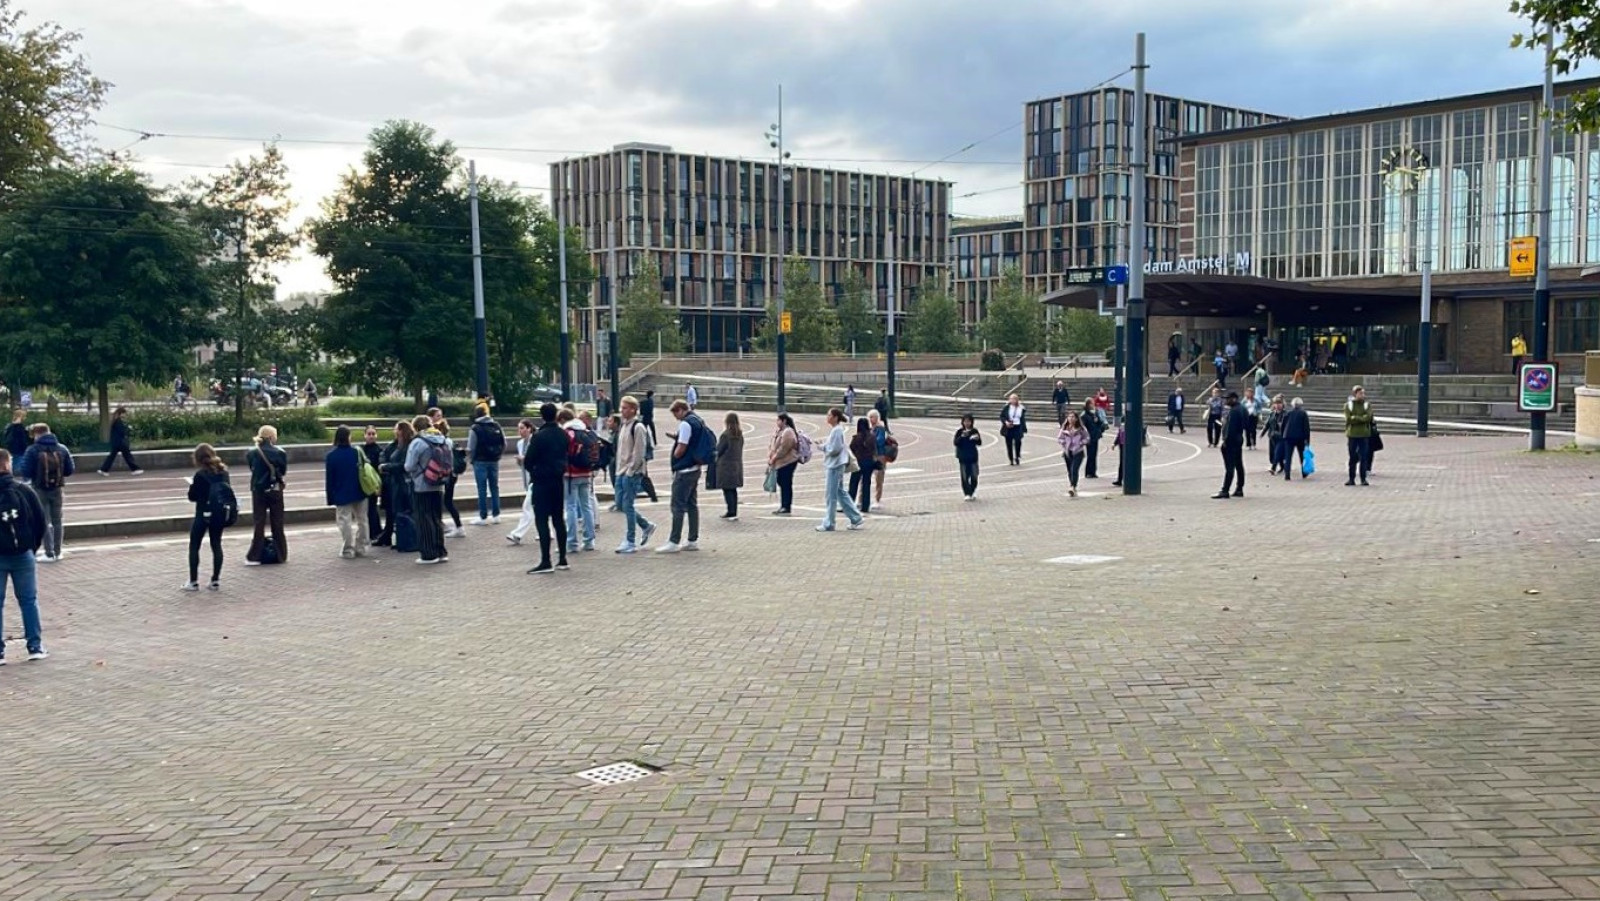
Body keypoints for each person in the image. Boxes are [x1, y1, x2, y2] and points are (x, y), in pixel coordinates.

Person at [0, 448, 47, 662]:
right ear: (8, 464)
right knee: (28, 601)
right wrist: (31, 547)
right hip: (23, 555)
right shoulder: (24, 491)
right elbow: (40, 522)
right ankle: (35, 647)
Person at [523, 404, 570, 573]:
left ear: (542, 416)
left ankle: (546, 560)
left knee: (542, 520)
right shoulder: (563, 434)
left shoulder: (539, 436)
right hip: (558, 481)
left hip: (542, 481)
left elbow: (529, 461)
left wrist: (535, 471)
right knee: (558, 519)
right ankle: (563, 558)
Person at [18, 423, 73, 563]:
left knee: (44, 521)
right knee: (57, 520)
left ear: (37, 434)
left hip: (39, 489)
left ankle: (49, 553)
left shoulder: (32, 450)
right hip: (57, 488)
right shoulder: (62, 448)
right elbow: (69, 470)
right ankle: (58, 551)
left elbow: (24, 470)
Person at [658, 399, 705, 553]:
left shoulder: (686, 424)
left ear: (680, 410)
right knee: (692, 504)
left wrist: (676, 456)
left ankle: (674, 540)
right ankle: (692, 539)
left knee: (677, 505)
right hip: (695, 467)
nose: (676, 418)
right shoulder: (698, 420)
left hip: (684, 470)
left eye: (675, 414)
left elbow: (683, 446)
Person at [182, 443, 231, 590]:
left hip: (202, 513)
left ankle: (193, 582)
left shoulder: (200, 475)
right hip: (218, 514)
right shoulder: (223, 472)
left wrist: (193, 487)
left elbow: (192, 497)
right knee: (216, 545)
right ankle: (215, 580)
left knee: (194, 546)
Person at [612, 397, 658, 554]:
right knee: (620, 504)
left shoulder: (638, 427)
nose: (622, 410)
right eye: (621, 407)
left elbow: (639, 452)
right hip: (621, 471)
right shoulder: (624, 426)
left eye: (625, 408)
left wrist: (631, 470)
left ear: (633, 409)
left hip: (631, 473)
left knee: (628, 505)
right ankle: (645, 525)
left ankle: (630, 540)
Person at [404, 415, 451, 565]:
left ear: (416, 428)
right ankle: (441, 551)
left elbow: (409, 466)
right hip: (439, 483)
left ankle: (429, 554)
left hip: (421, 485)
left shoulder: (418, 442)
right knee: (437, 518)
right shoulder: (443, 439)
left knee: (424, 519)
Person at [240, 425, 289, 565]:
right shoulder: (280, 453)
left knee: (259, 522)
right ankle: (281, 554)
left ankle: (254, 555)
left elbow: (252, 468)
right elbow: (283, 471)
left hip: (258, 490)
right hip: (275, 489)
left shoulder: (252, 452)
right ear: (271, 437)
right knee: (277, 522)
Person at [816, 407, 864, 533]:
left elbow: (835, 449)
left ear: (835, 417)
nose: (827, 417)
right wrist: (823, 446)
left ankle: (829, 523)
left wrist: (823, 448)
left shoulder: (837, 431)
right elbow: (834, 446)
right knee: (840, 493)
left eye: (829, 415)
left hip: (835, 465)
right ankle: (856, 518)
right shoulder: (836, 430)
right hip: (837, 465)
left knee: (831, 495)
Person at [324, 425, 370, 559]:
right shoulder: (357, 452)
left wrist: (330, 497)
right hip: (360, 490)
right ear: (349, 437)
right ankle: (361, 547)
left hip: (341, 493)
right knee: (362, 520)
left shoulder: (331, 456)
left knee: (345, 522)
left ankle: (347, 549)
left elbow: (329, 479)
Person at [559, 408, 598, 553]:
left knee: (570, 507)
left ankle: (572, 542)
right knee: (586, 506)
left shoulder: (568, 432)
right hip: (586, 472)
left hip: (571, 474)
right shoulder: (586, 432)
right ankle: (589, 541)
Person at [376, 421, 414, 548]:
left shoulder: (407, 446)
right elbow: (383, 454)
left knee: (400, 509)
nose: (394, 431)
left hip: (401, 482)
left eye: (396, 429)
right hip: (393, 482)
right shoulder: (395, 445)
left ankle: (402, 537)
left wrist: (386, 466)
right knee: (391, 509)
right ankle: (389, 535)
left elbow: (403, 465)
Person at [467, 403, 505, 525]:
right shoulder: (496, 425)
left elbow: (471, 447)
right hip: (494, 460)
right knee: (494, 487)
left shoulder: (475, 428)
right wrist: (498, 455)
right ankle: (496, 515)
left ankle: (483, 516)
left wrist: (471, 459)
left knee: (482, 489)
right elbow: (504, 443)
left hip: (480, 461)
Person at [1213, 392, 1248, 499]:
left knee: (1230, 466)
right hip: (1239, 438)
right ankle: (1239, 488)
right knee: (1239, 464)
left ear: (1233, 399)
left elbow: (1230, 428)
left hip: (1232, 441)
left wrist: (1225, 441)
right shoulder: (1243, 409)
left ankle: (1225, 490)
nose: (1225, 401)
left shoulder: (1234, 411)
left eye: (1227, 399)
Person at [768, 414, 800, 516]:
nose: (777, 422)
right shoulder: (780, 431)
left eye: (779, 420)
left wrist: (774, 457)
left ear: (784, 421)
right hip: (781, 462)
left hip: (788, 461)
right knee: (782, 482)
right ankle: (784, 505)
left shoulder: (788, 432)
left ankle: (786, 506)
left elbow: (784, 448)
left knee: (786, 483)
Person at [715, 412, 744, 521]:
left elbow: (719, 450)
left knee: (727, 489)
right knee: (733, 489)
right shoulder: (739, 435)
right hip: (736, 465)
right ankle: (733, 510)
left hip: (726, 465)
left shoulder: (725, 435)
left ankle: (730, 511)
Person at [1344, 384, 1375, 487]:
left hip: (1364, 434)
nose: (1362, 395)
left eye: (1363, 393)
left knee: (1364, 457)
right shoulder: (1348, 405)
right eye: (1360, 393)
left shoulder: (1367, 405)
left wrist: (1355, 418)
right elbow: (1348, 418)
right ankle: (1351, 479)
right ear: (1355, 394)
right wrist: (1361, 418)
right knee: (1352, 457)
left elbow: (1368, 417)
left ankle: (1363, 479)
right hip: (1352, 434)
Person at [97, 407, 143, 475]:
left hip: (116, 442)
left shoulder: (115, 421)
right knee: (128, 456)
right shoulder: (118, 421)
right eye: (124, 414)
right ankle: (135, 469)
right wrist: (127, 429)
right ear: (121, 413)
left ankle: (103, 469)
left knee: (112, 457)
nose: (125, 415)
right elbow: (122, 432)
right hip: (120, 442)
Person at [1057, 411, 1089, 497]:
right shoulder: (1064, 428)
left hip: (1078, 452)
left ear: (1076, 419)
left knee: (1074, 469)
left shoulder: (1081, 429)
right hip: (1068, 452)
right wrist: (1063, 443)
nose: (1071, 418)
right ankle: (1072, 484)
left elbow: (1087, 437)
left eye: (1073, 417)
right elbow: (1059, 438)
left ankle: (1073, 486)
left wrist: (1081, 443)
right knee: (1069, 470)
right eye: (1069, 417)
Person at [361, 426, 384, 541]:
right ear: (364, 435)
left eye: (373, 434)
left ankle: (375, 531)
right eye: (369, 434)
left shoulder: (379, 451)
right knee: (367, 509)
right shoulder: (361, 450)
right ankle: (371, 531)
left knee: (372, 508)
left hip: (373, 483)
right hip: (364, 484)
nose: (371, 436)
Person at [848, 417, 875, 515]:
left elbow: (851, 448)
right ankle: (865, 506)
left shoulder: (856, 437)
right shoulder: (872, 437)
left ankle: (849, 504)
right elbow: (874, 449)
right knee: (866, 484)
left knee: (853, 484)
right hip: (869, 462)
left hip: (858, 462)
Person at [1282, 397, 1312, 481]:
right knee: (1302, 456)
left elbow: (1283, 425)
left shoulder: (1288, 413)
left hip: (1289, 437)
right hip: (1300, 437)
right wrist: (1307, 440)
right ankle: (1304, 473)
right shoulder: (1303, 414)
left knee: (1288, 456)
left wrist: (1283, 435)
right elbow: (1306, 428)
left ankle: (1287, 474)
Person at [953, 414, 982, 500]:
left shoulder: (974, 431)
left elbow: (979, 443)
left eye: (969, 421)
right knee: (964, 476)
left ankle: (972, 491)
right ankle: (967, 493)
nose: (967, 423)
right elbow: (956, 442)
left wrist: (976, 438)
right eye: (965, 421)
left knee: (974, 475)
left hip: (973, 456)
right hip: (963, 457)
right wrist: (962, 436)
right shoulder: (959, 431)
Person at [868, 409, 891, 504]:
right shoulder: (869, 429)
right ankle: (861, 500)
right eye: (869, 417)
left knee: (879, 479)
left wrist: (869, 441)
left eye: (872, 417)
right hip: (870, 456)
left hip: (880, 456)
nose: (870, 419)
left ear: (877, 418)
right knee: (864, 478)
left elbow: (880, 441)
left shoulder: (880, 428)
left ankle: (877, 500)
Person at [1080, 398, 1106, 479]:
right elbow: (1083, 427)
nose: (1093, 405)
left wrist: (1098, 421)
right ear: (1087, 405)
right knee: (1090, 455)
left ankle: (1093, 472)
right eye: (1091, 404)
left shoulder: (1094, 414)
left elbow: (1099, 423)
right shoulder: (1084, 415)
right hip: (1089, 437)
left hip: (1095, 436)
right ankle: (1088, 472)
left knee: (1094, 455)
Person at [1261, 396, 1287, 475]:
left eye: (1279, 403)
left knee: (1277, 452)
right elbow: (1267, 424)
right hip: (1272, 436)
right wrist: (1263, 432)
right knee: (1273, 453)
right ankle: (1283, 466)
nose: (1277, 405)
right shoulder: (1272, 413)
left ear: (1283, 404)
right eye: (1276, 403)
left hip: (1281, 437)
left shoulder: (1285, 414)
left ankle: (1273, 468)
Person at [1000, 393, 1027, 466]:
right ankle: (1011, 459)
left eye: (1014, 399)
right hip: (1009, 427)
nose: (1013, 400)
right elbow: (1002, 416)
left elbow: (1023, 416)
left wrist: (1024, 427)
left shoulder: (1021, 407)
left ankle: (1017, 456)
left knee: (1018, 442)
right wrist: (1006, 422)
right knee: (1009, 444)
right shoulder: (1006, 407)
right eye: (1011, 399)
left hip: (1017, 427)